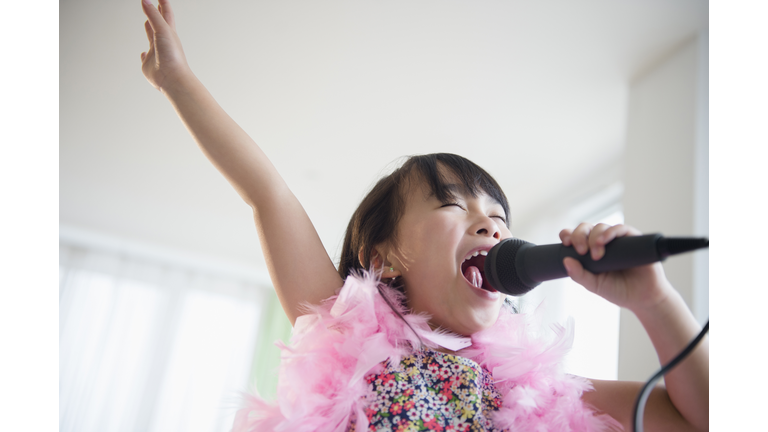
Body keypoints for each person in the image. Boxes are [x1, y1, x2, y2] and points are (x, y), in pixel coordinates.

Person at [139, 0, 709, 430]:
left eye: (497, 215)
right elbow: (269, 194)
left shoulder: (541, 391)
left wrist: (657, 304)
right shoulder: (343, 326)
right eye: (453, 204)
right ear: (383, 259)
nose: (490, 224)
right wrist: (179, 81)